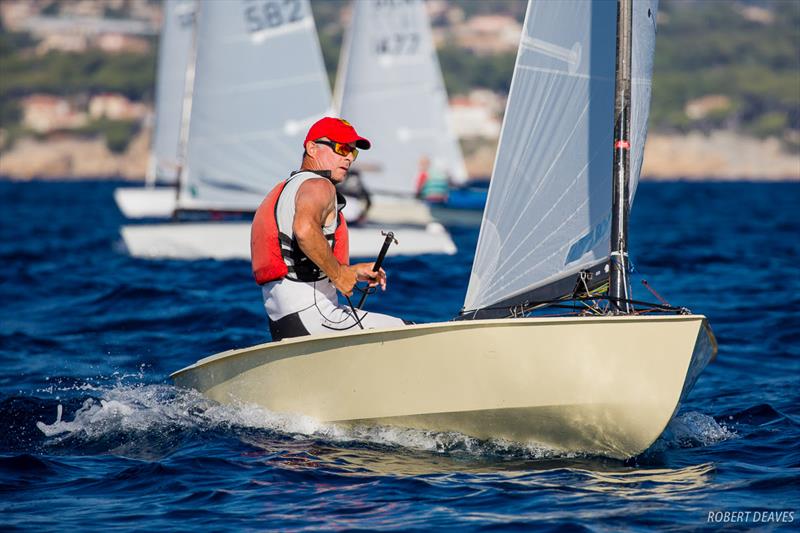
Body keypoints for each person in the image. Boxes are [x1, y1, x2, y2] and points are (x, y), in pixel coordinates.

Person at [250, 117, 406, 341]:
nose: (349, 157)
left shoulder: (290, 187)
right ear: (312, 148)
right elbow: (304, 231)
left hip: (286, 323)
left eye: (353, 152)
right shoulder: (319, 185)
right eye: (341, 148)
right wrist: (340, 274)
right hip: (314, 318)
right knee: (405, 331)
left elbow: (299, 266)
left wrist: (351, 272)